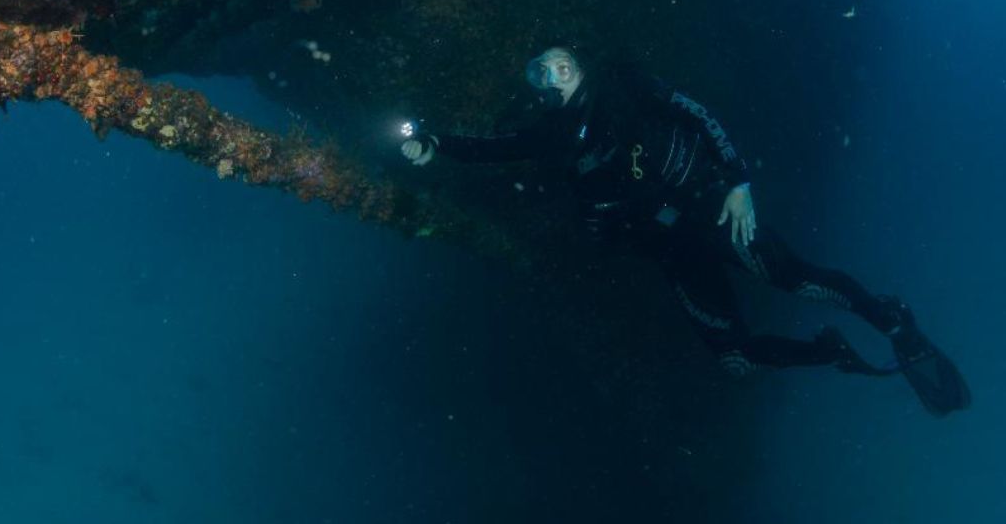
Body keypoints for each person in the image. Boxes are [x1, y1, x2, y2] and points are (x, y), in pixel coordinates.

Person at [401, 44, 971, 416]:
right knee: (734, 359)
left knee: (797, 279)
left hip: (712, 210)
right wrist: (435, 143)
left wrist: (738, 180)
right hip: (670, 248)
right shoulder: (550, 134)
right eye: (541, 70)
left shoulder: (624, 86)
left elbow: (698, 114)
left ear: (580, 65)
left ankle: (892, 321)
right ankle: (830, 354)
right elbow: (495, 148)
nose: (553, 73)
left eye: (562, 62)